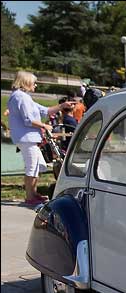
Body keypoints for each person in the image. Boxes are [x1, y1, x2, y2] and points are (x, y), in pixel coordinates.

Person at [7, 71, 74, 205]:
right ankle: (30, 197)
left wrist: (62, 106)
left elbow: (45, 110)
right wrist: (44, 125)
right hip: (27, 138)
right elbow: (28, 119)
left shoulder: (24, 97)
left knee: (36, 166)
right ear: (26, 82)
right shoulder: (21, 97)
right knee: (31, 167)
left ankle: (33, 194)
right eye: (34, 83)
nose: (36, 85)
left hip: (29, 138)